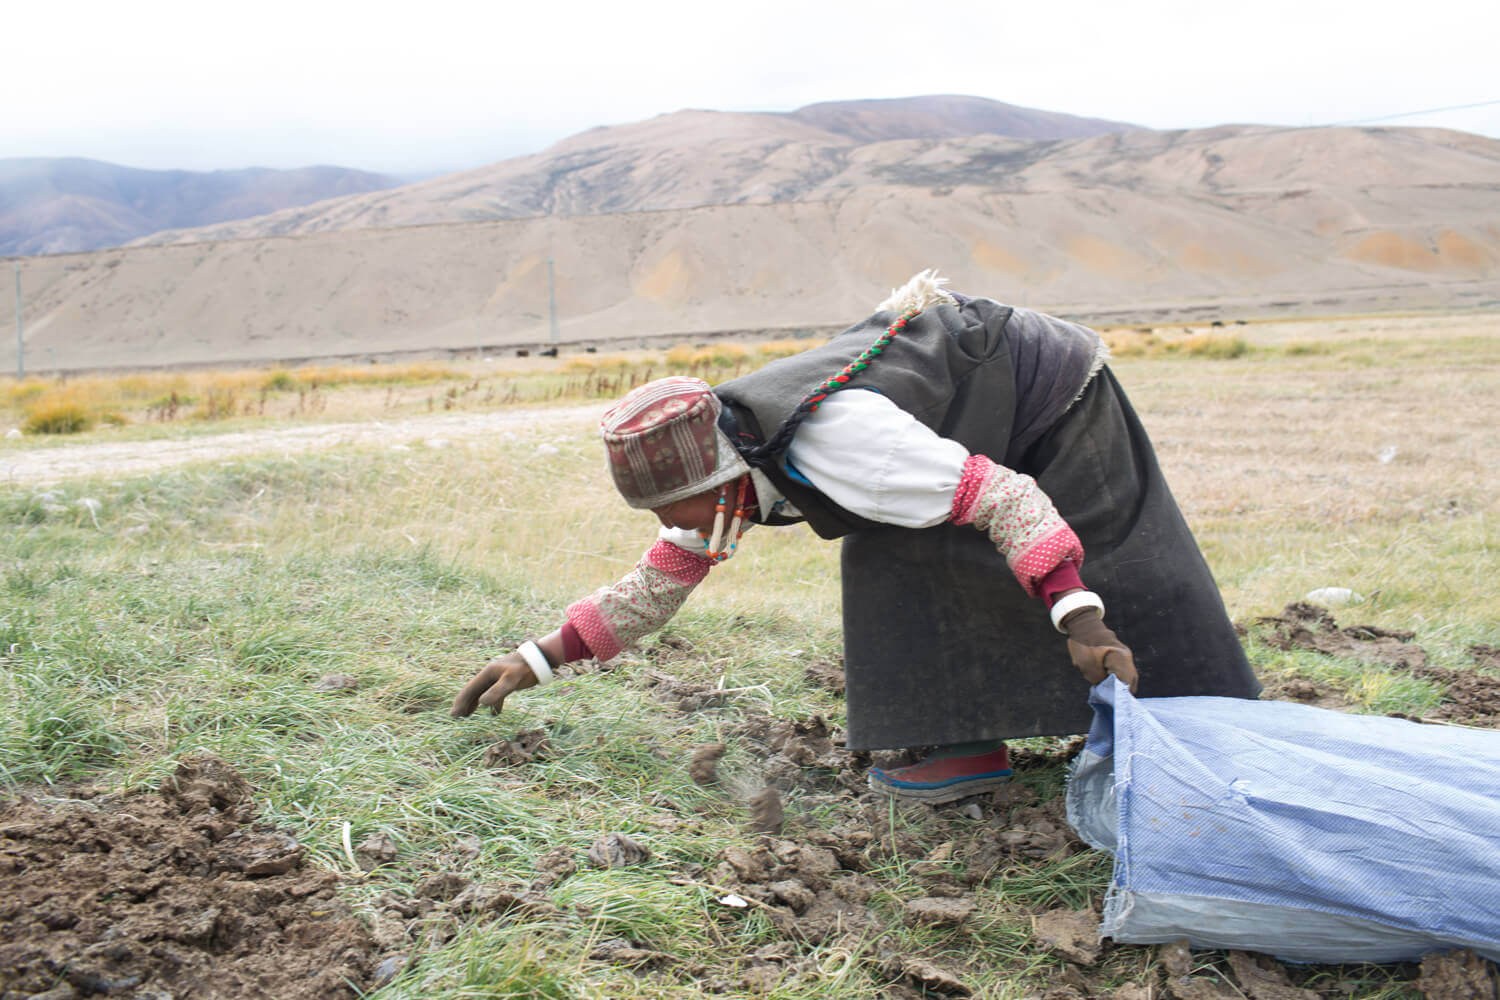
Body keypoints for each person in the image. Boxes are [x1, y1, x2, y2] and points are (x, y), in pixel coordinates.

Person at [452, 270, 1261, 803]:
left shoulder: (839, 445)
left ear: (713, 482)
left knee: (1109, 544)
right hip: (965, 421)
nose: (672, 530)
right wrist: (540, 658)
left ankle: (1187, 734)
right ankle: (962, 748)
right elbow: (663, 577)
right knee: (890, 542)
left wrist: (1081, 621)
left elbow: (1009, 501)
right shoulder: (734, 468)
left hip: (1046, 393)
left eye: (675, 511)